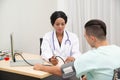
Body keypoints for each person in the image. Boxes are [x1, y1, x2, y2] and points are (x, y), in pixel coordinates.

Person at [34, 19, 120, 80]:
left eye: (85, 36)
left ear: (92, 38)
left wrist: (41, 67)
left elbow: (63, 71)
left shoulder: (91, 56)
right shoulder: (117, 50)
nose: (85, 39)